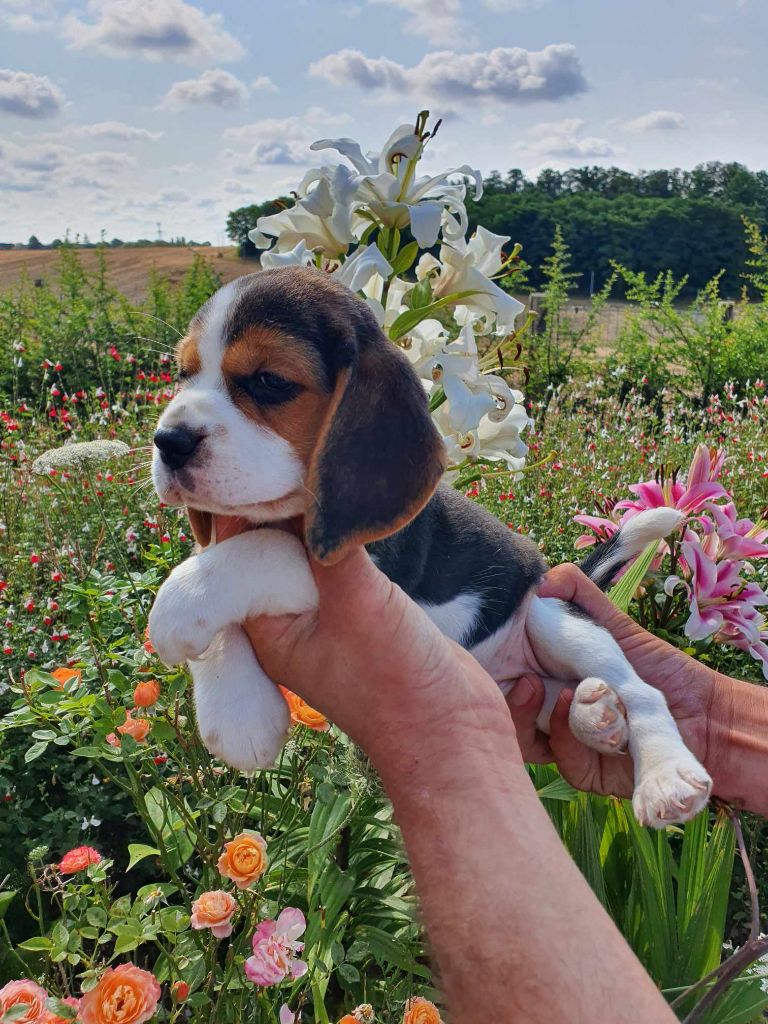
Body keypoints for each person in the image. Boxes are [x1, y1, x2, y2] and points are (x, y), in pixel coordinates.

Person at [242, 545, 768, 1024]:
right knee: (566, 708)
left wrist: (442, 738)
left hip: (517, 626)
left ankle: (659, 736)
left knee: (574, 654)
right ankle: (609, 716)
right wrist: (712, 722)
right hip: (503, 671)